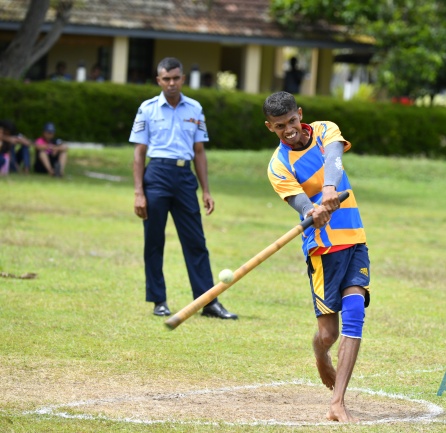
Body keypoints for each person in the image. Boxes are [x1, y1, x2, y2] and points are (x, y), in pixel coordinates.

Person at [263, 91, 370, 422]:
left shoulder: (325, 131)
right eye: (280, 126)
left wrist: (328, 189)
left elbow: (335, 160)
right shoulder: (279, 166)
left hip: (354, 237)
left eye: (292, 121)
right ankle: (320, 352)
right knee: (328, 334)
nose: (289, 129)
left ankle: (337, 402)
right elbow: (301, 206)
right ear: (271, 127)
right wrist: (314, 210)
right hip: (322, 249)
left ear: (300, 114)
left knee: (354, 310)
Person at [129, 57, 237, 320]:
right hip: (156, 175)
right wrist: (139, 192)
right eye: (166, 79)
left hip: (184, 176)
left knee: (196, 242)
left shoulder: (195, 109)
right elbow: (139, 153)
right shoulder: (147, 109)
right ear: (159, 80)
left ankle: (208, 302)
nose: (171, 83)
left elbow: (199, 152)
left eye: (176, 78)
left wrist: (206, 190)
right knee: (154, 240)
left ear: (183, 78)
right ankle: (159, 300)